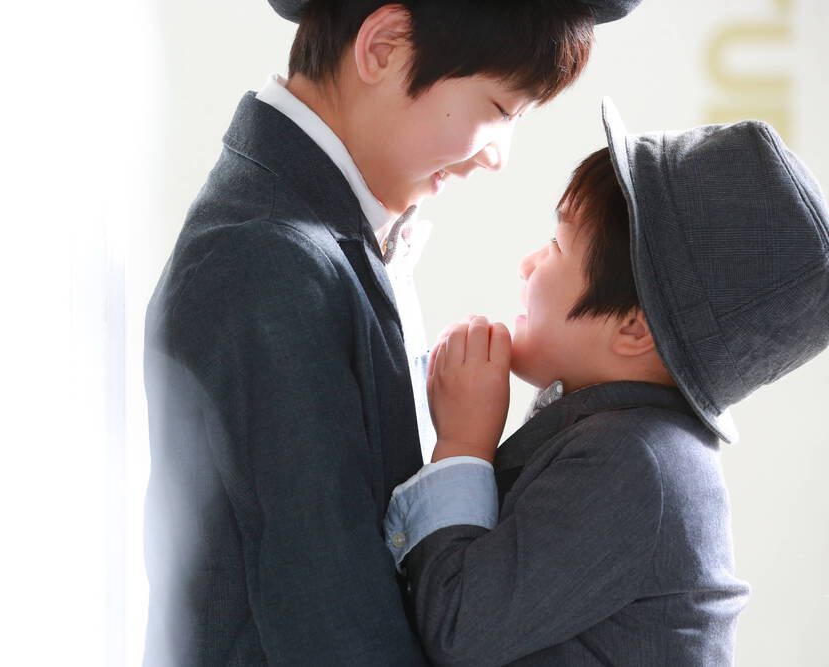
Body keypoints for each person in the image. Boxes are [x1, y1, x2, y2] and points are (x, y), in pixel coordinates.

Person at [143, 1, 642, 664]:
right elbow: (333, 622)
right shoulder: (267, 260)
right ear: (384, 47)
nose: (499, 156)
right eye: (499, 109)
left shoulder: (322, 232)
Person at [384, 98, 829, 665]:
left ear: (633, 328)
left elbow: (459, 626)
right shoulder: (629, 438)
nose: (527, 264)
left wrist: (463, 444)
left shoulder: (637, 463)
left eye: (557, 247)